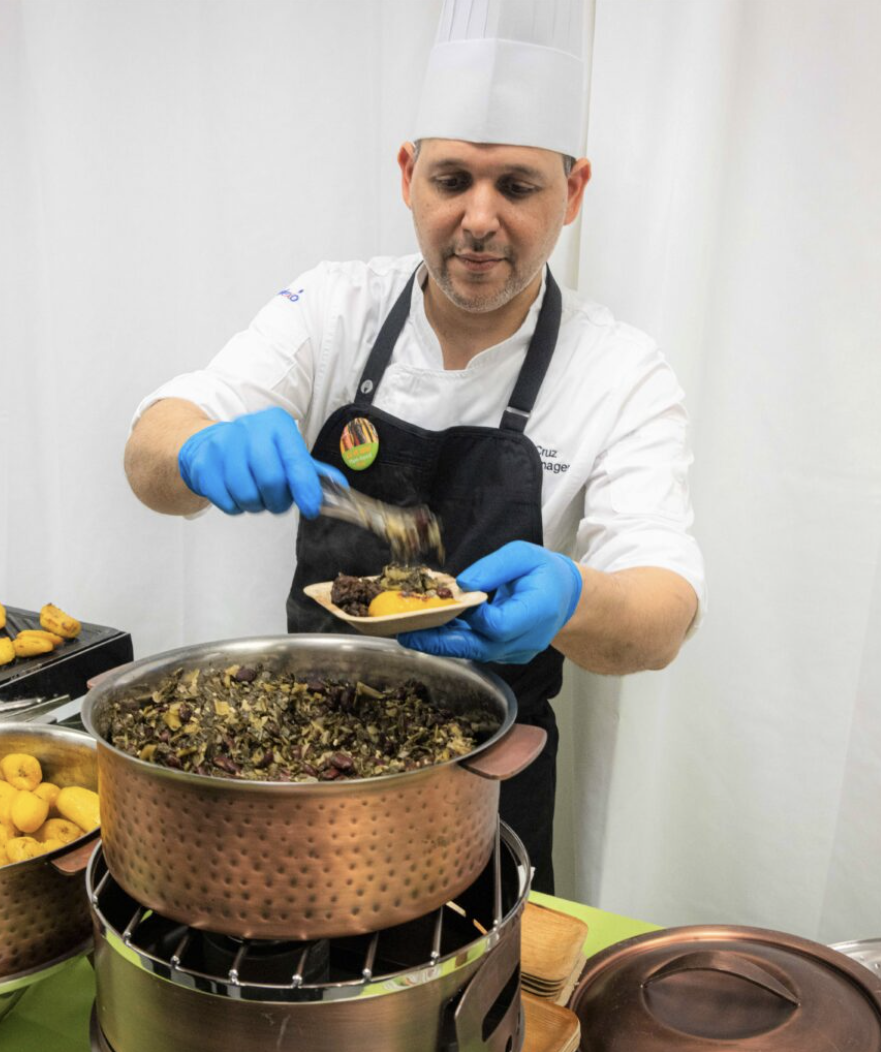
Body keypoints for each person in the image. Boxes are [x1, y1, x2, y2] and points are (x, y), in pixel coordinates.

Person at [124, 0, 704, 893]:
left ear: (574, 191)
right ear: (407, 174)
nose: (478, 219)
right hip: (298, 752)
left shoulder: (621, 371)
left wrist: (575, 599)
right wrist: (197, 453)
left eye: (517, 186)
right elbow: (152, 450)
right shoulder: (330, 309)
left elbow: (663, 614)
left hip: (490, 769)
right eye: (450, 180)